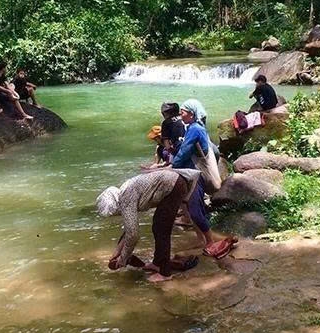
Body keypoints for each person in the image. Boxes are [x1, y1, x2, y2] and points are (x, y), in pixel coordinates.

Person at [96, 168, 202, 282]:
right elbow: (129, 229)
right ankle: (157, 263)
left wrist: (123, 258)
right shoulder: (125, 193)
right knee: (157, 226)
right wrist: (116, 253)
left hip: (174, 186)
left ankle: (165, 273)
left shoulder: (125, 199)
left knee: (162, 230)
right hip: (174, 184)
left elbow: (133, 235)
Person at [170, 99, 235, 258]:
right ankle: (202, 239)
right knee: (194, 208)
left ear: (191, 114)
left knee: (194, 210)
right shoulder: (196, 127)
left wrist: (171, 167)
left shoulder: (194, 130)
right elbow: (214, 151)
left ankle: (210, 242)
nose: (181, 113)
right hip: (194, 174)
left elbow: (184, 152)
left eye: (183, 111)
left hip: (196, 175)